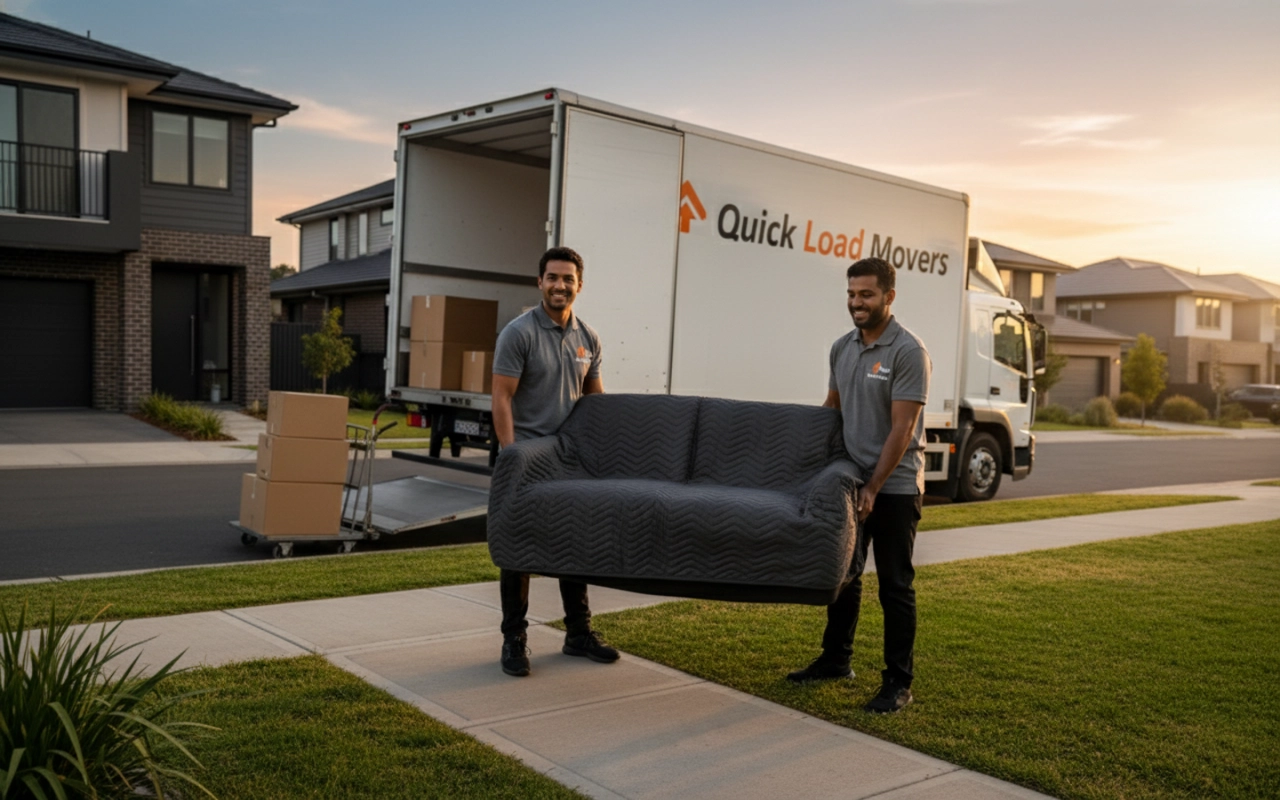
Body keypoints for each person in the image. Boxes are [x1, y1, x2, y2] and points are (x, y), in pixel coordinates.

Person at [786, 256, 930, 715]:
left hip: (896, 485)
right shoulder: (841, 347)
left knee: (895, 585)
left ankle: (898, 682)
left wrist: (874, 486)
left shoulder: (907, 352)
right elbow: (832, 407)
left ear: (889, 296)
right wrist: (814, 463)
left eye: (866, 295)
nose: (856, 303)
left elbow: (902, 429)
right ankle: (835, 660)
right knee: (844, 576)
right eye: (851, 294)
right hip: (852, 480)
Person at [490, 246, 619, 677]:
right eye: (552, 277)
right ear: (539, 282)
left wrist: (602, 450)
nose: (560, 285)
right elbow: (502, 398)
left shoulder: (589, 338)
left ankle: (578, 634)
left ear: (579, 285)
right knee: (518, 551)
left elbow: (595, 401)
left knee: (574, 543)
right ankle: (514, 640)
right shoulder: (518, 333)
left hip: (569, 458)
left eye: (568, 279)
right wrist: (511, 457)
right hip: (525, 454)